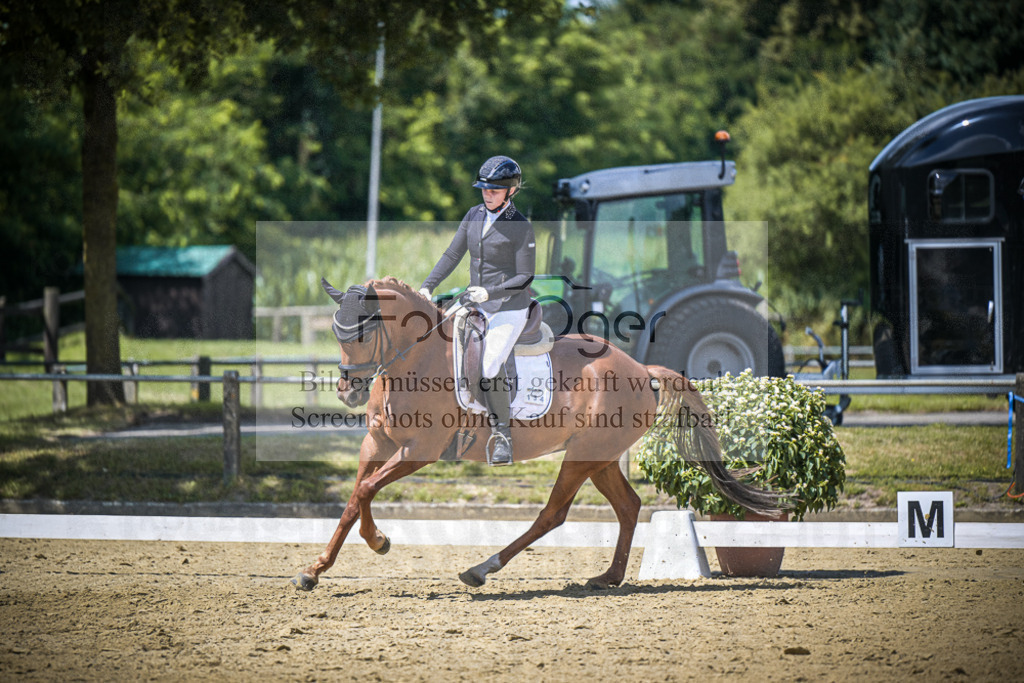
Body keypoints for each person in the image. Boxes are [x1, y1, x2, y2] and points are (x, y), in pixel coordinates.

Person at [420, 156, 536, 466]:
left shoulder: (520, 226)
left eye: (495, 191)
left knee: (488, 365)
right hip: (476, 302)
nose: (487, 195)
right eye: (484, 189)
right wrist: (427, 286)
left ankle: (502, 435)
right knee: (440, 348)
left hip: (509, 307)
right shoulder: (473, 216)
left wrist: (490, 292)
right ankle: (453, 428)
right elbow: (452, 253)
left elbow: (525, 277)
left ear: (511, 191)